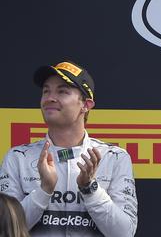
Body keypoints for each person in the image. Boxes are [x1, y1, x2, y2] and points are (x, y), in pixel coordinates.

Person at [0, 61, 138, 237]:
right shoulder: (17, 157)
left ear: (86, 105)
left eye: (62, 91)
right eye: (46, 91)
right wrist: (44, 190)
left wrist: (90, 189)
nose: (50, 97)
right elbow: (5, 229)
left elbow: (124, 233)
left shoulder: (114, 157)